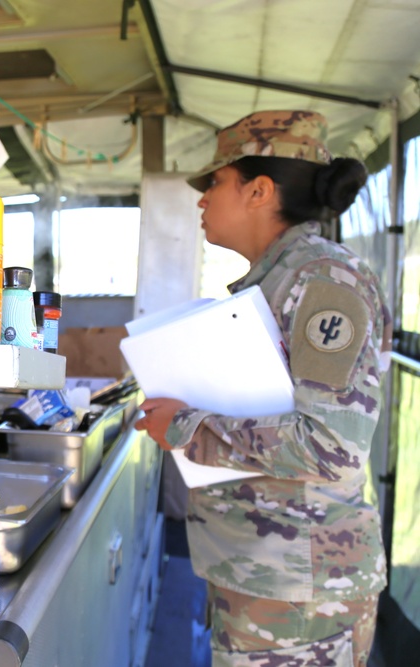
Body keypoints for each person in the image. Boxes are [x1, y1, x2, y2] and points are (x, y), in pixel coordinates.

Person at [135, 110, 391, 667]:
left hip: (302, 590)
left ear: (259, 190)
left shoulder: (323, 280)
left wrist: (186, 424)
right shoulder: (278, 279)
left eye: (214, 183)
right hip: (266, 575)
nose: (202, 199)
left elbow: (332, 446)